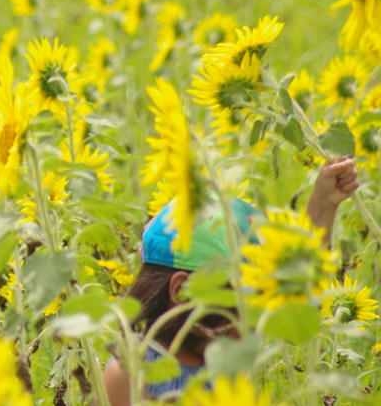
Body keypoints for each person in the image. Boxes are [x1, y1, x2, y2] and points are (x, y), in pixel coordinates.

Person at [101, 159, 359, 404]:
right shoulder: (133, 372)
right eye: (246, 304)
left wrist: (324, 203)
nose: (257, 323)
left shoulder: (222, 359)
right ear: (182, 291)